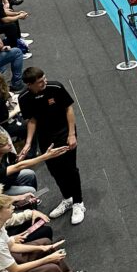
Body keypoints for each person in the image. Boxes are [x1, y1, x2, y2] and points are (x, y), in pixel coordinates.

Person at [18, 67, 86, 226]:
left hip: (64, 132)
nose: (45, 82)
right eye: (40, 82)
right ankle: (67, 199)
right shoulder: (24, 98)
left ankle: (78, 202)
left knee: (70, 169)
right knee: (55, 171)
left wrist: (71, 134)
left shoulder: (55, 87)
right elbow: (32, 120)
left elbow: (69, 109)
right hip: (45, 137)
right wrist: (28, 143)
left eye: (44, 78)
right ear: (29, 84)